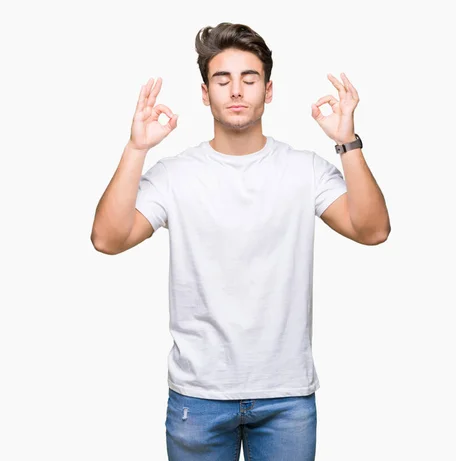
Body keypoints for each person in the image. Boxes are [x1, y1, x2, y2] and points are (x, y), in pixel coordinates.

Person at [91, 21, 390, 461]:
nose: (236, 91)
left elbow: (372, 230)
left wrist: (347, 141)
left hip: (285, 396)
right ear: (205, 92)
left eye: (249, 79)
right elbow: (107, 239)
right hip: (199, 396)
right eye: (222, 79)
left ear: (268, 91)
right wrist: (137, 150)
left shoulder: (303, 170)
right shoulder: (176, 174)